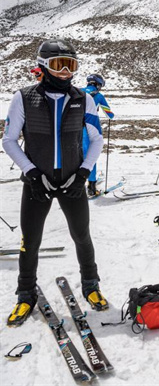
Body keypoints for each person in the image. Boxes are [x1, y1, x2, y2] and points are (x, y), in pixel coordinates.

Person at [3, 39, 108, 326]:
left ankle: (91, 286)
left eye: (70, 66)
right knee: (31, 241)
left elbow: (96, 139)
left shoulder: (83, 98)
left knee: (82, 236)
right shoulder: (23, 97)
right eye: (59, 65)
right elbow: (9, 141)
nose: (65, 72)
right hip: (38, 183)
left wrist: (84, 173)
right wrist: (31, 173)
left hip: (72, 181)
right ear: (44, 66)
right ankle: (25, 295)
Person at [82, 74, 114, 196]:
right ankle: (91, 186)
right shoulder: (98, 95)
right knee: (91, 156)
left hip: (73, 128)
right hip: (90, 129)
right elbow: (109, 114)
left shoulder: (78, 91)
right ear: (98, 84)